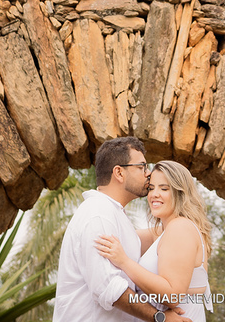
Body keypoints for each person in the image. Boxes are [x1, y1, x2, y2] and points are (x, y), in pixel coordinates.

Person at [53, 137, 186, 322]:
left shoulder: (115, 216)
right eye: (141, 167)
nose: (148, 173)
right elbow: (108, 288)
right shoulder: (98, 213)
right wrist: (159, 317)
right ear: (119, 173)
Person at [94, 160, 213, 322]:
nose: (154, 194)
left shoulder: (180, 228)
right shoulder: (163, 232)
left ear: (180, 192)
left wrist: (124, 262)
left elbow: (172, 296)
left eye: (164, 188)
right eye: (151, 188)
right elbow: (123, 235)